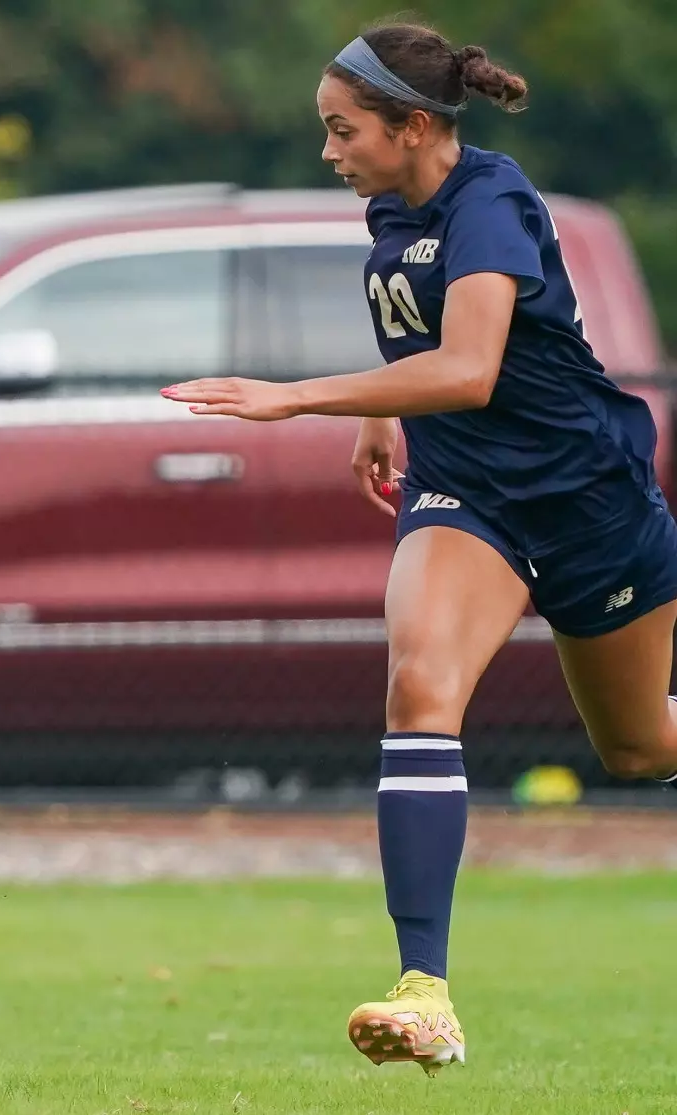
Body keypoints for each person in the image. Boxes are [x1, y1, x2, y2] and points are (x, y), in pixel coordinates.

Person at [164, 21, 677, 1076]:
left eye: (341, 129)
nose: (326, 151)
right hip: (467, 492)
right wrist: (373, 415)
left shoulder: (490, 200)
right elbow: (420, 344)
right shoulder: (387, 206)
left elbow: (471, 366)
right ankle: (424, 990)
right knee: (419, 687)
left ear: (412, 127)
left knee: (635, 749)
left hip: (584, 499)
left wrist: (299, 396)